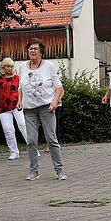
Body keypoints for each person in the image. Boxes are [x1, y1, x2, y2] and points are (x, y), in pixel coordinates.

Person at [18, 38, 66, 180]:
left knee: (51, 139)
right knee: (31, 140)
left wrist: (55, 102)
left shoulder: (49, 66)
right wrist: (19, 101)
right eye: (30, 49)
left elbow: (59, 88)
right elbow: (21, 87)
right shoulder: (22, 67)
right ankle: (34, 171)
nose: (32, 51)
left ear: (41, 52)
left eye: (35, 49)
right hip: (29, 109)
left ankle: (59, 170)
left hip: (46, 108)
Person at [0, 57, 28, 160]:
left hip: (17, 106)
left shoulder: (17, 78)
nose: (9, 68)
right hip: (3, 109)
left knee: (23, 126)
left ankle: (33, 149)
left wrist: (20, 101)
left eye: (11, 66)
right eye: (7, 66)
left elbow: (22, 90)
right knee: (8, 130)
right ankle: (14, 152)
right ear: (3, 67)